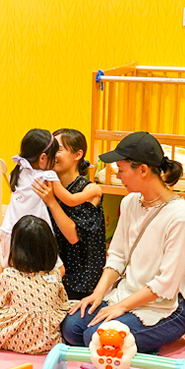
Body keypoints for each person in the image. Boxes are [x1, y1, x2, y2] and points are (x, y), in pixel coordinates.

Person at [60, 131, 185, 354]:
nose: (117, 175)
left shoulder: (180, 216)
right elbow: (118, 256)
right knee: (72, 328)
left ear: (142, 170)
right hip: (124, 294)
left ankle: (143, 341)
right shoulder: (130, 202)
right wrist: (98, 294)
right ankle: (132, 341)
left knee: (97, 337)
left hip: (163, 307)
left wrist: (121, 307)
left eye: (121, 170)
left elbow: (165, 284)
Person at [0, 215, 73, 354]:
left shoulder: (9, 274)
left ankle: (11, 340)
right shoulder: (55, 273)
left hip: (20, 336)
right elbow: (62, 302)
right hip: (51, 341)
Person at [34, 128, 107, 300]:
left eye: (58, 150)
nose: (52, 155)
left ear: (78, 155)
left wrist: (51, 202)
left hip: (79, 275)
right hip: (52, 266)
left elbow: (73, 236)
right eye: (50, 149)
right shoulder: (49, 184)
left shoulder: (89, 190)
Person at [0, 129, 59, 265]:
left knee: (5, 264)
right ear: (42, 158)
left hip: (8, 230)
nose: (56, 160)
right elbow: (70, 200)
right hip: (33, 235)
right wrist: (91, 192)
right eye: (54, 156)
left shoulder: (18, 171)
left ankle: (1, 279)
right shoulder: (46, 176)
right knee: (51, 268)